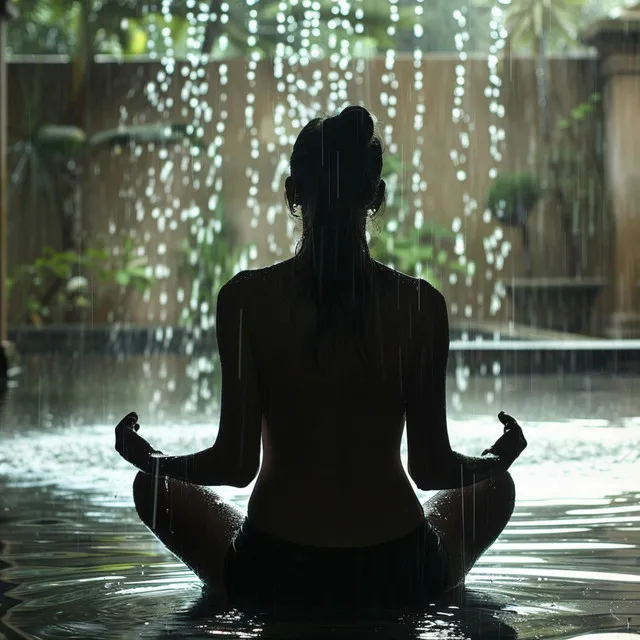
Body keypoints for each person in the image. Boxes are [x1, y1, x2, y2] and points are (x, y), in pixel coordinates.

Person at [114, 105, 527, 613]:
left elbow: (237, 465)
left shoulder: (245, 300)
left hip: (275, 570)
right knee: (496, 487)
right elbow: (431, 468)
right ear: (375, 196)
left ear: (292, 192)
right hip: (398, 569)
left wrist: (152, 460)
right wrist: (494, 459)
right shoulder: (420, 305)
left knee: (151, 488)